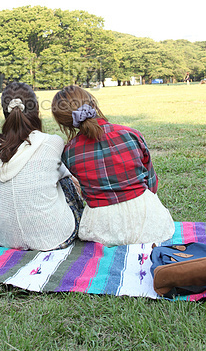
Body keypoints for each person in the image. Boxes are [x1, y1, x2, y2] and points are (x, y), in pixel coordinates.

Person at [51, 85, 175, 247]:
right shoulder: (131, 134)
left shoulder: (69, 152)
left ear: (64, 123)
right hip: (148, 223)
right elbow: (152, 185)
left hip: (103, 229)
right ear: (93, 103)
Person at [0, 82, 84, 251]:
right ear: (36, 109)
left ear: (4, 111)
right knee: (65, 179)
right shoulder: (52, 142)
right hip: (55, 237)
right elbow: (68, 177)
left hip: (5, 238)